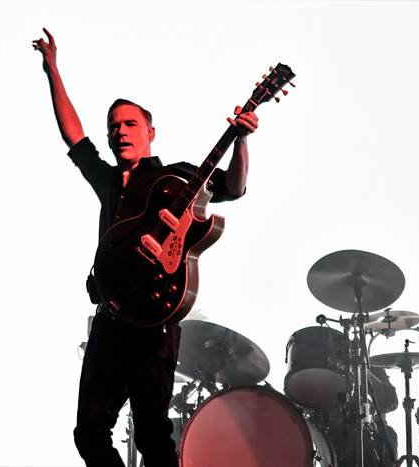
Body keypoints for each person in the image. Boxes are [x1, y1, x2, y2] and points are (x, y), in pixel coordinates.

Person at [32, 28, 258, 467]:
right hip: (110, 317)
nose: (120, 133)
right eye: (114, 127)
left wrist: (243, 139)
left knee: (154, 437)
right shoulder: (109, 182)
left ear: (151, 131)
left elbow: (233, 187)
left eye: (130, 124)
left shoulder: (174, 179)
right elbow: (74, 137)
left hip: (155, 323)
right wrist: (52, 70)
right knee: (89, 434)